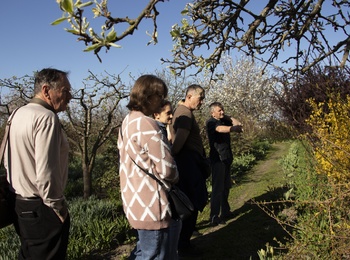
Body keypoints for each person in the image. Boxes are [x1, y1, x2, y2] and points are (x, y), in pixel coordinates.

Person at [4, 68, 72, 259]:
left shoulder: (16, 113)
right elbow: (46, 172)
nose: (70, 96)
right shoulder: (46, 117)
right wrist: (57, 208)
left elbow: (8, 160)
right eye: (65, 91)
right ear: (46, 90)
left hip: (19, 204)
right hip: (41, 208)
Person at [118, 75, 179, 259]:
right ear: (149, 96)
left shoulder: (127, 121)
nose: (161, 102)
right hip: (152, 204)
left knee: (143, 251)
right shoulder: (146, 123)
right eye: (160, 96)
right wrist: (176, 175)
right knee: (154, 254)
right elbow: (167, 168)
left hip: (134, 199)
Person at [170, 84, 208, 257]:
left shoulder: (180, 111)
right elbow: (177, 145)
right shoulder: (185, 114)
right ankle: (184, 246)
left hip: (187, 163)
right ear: (190, 96)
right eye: (200, 98)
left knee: (189, 202)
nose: (202, 102)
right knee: (192, 203)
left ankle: (183, 243)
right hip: (187, 164)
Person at [153, 99, 182, 259]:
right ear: (156, 114)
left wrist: (169, 125)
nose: (171, 116)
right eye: (168, 113)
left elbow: (170, 143)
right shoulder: (156, 131)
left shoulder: (162, 128)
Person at [206, 102, 243, 226]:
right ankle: (214, 216)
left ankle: (225, 211)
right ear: (212, 113)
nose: (222, 112)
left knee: (226, 186)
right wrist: (232, 129)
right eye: (219, 111)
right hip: (218, 159)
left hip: (227, 158)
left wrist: (226, 116)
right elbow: (220, 129)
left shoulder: (223, 120)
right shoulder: (211, 122)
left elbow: (238, 124)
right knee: (217, 188)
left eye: (223, 110)